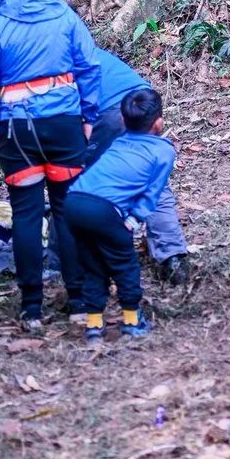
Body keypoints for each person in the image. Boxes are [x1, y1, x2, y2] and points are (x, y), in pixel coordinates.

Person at [0, 0, 101, 334]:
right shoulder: (62, 13)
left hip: (18, 133)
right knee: (66, 210)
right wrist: (87, 116)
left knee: (26, 214)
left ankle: (31, 309)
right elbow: (89, 66)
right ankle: (77, 303)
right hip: (63, 126)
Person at [65, 86, 176, 342]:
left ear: (123, 121)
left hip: (73, 201)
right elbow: (152, 193)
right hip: (103, 210)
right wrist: (133, 219)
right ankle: (132, 320)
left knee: (92, 264)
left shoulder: (118, 142)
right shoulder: (163, 151)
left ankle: (94, 325)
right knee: (124, 265)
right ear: (159, 122)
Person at [83, 48, 188, 283]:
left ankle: (87, 262)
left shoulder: (38, 58)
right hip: (140, 99)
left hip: (106, 111)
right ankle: (172, 256)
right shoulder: (72, 37)